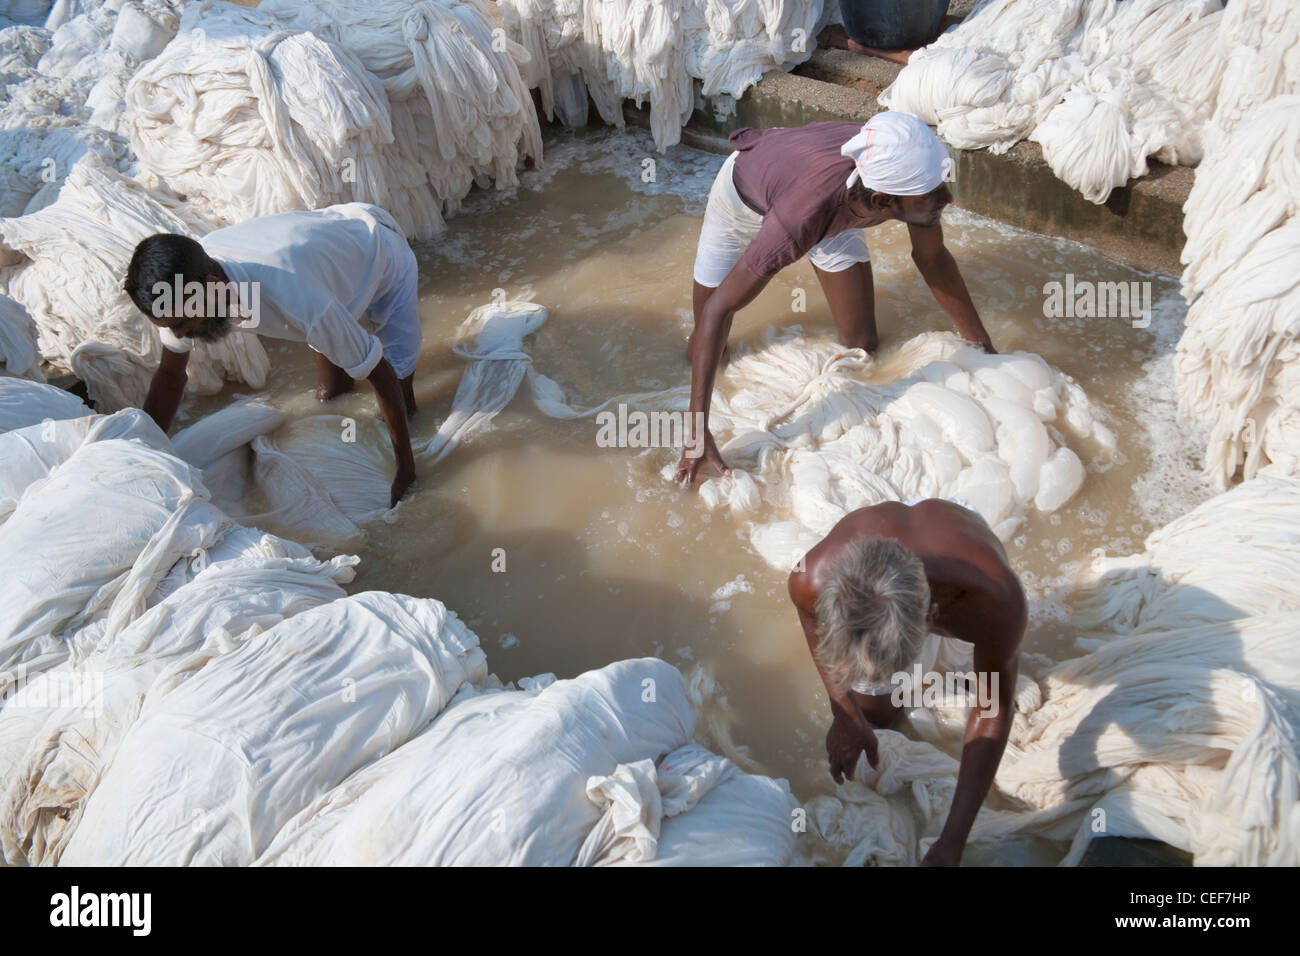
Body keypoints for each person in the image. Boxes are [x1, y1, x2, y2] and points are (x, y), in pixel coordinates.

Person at [676, 111, 994, 489]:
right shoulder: (798, 220)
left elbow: (932, 258)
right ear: (882, 200)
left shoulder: (899, 168)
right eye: (932, 193)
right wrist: (698, 429)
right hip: (742, 202)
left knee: (862, 346)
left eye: (940, 184)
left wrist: (983, 349)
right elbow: (719, 309)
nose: (948, 198)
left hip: (828, 202)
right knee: (706, 347)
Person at [123, 203, 421, 506]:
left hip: (381, 256)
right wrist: (144, 452)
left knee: (398, 392)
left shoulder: (294, 295)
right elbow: (171, 377)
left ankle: (410, 423)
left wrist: (405, 471)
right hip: (325, 267)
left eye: (181, 325)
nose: (177, 335)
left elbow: (380, 374)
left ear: (212, 289)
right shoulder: (180, 290)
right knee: (333, 392)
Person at [787, 499, 1025, 866]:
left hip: (960, 559)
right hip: (899, 573)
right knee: (878, 718)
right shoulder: (809, 579)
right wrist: (846, 714)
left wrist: (953, 839)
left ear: (933, 618)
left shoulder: (993, 602)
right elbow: (811, 625)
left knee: (980, 675)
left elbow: (993, 706)